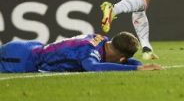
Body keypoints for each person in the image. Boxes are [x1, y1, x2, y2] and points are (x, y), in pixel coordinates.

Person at [0, 32, 162, 73]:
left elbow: (127, 61)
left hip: (28, 48)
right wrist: (136, 68)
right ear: (120, 57)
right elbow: (93, 67)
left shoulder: (103, 40)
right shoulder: (89, 52)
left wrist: (137, 64)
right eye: (123, 60)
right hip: (21, 60)